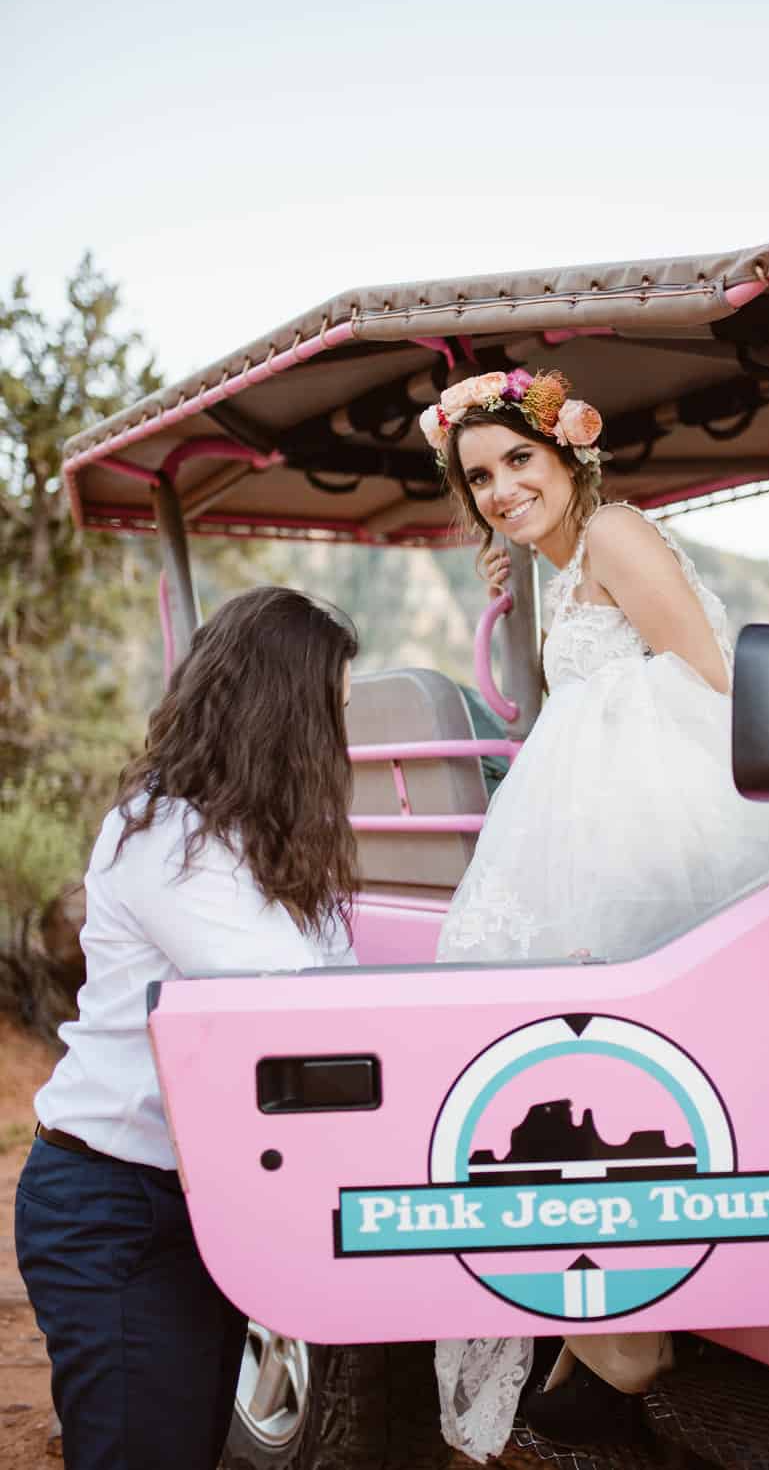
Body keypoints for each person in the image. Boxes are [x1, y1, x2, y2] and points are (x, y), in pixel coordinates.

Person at [419, 370, 769, 1460]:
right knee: (567, 1094)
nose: (498, 487)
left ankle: (613, 1355)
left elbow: (714, 685)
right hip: (584, 841)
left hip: (656, 834)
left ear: (568, 452)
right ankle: (601, 1360)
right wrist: (522, 578)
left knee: (608, 1087)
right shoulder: (565, 560)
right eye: (478, 476)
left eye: (516, 461)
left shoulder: (620, 533)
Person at [15, 587, 360, 1470]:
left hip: (190, 1199)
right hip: (114, 1206)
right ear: (284, 716)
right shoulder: (166, 840)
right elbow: (286, 1002)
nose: (343, 742)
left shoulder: (262, 841)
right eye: (334, 714)